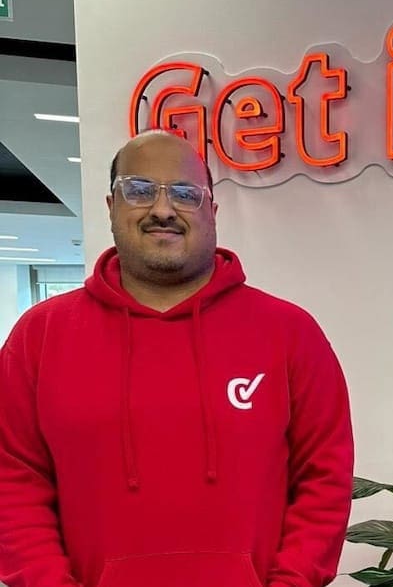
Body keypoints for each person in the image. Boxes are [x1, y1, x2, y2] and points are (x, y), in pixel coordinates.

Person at [0, 130, 354, 587]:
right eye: (140, 191)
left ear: (212, 213)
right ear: (112, 207)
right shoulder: (39, 336)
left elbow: (324, 478)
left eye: (186, 194)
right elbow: (13, 480)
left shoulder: (289, 332)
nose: (163, 210)